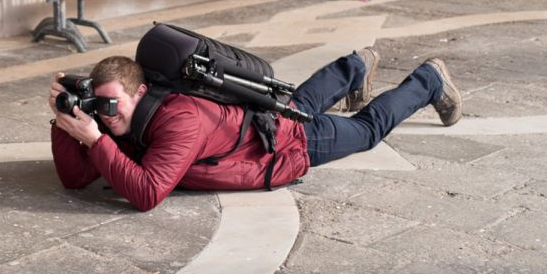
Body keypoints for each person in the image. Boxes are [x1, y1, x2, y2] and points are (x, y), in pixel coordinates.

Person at [48, 47, 462, 212]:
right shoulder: (126, 118)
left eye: (111, 104)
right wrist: (64, 123)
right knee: (297, 103)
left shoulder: (178, 120)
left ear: (140, 91)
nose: (104, 114)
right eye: (97, 105)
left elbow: (146, 193)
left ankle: (428, 80)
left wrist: (96, 140)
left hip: (281, 143)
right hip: (261, 122)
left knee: (366, 131)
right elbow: (74, 178)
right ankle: (356, 65)